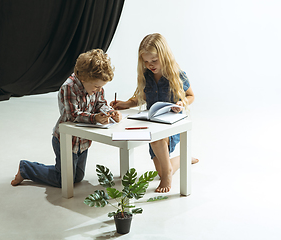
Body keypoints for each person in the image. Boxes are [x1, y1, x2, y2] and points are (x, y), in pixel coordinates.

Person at [11, 49, 121, 187]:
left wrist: (110, 112)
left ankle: (59, 170)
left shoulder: (96, 87)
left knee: (77, 177)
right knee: (63, 180)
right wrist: (95, 118)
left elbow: (101, 104)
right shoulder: (69, 87)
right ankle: (25, 169)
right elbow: (73, 115)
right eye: (97, 86)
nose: (99, 90)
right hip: (66, 140)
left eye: (101, 87)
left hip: (83, 141)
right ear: (84, 78)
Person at [111, 33, 197, 193]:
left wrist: (181, 103)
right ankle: (185, 159)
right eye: (146, 61)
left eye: (154, 60)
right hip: (153, 121)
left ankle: (168, 175)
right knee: (161, 169)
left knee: (159, 146)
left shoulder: (177, 74)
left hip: (171, 122)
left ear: (163, 56)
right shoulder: (147, 76)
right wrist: (125, 104)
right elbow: (140, 99)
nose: (150, 65)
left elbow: (191, 95)